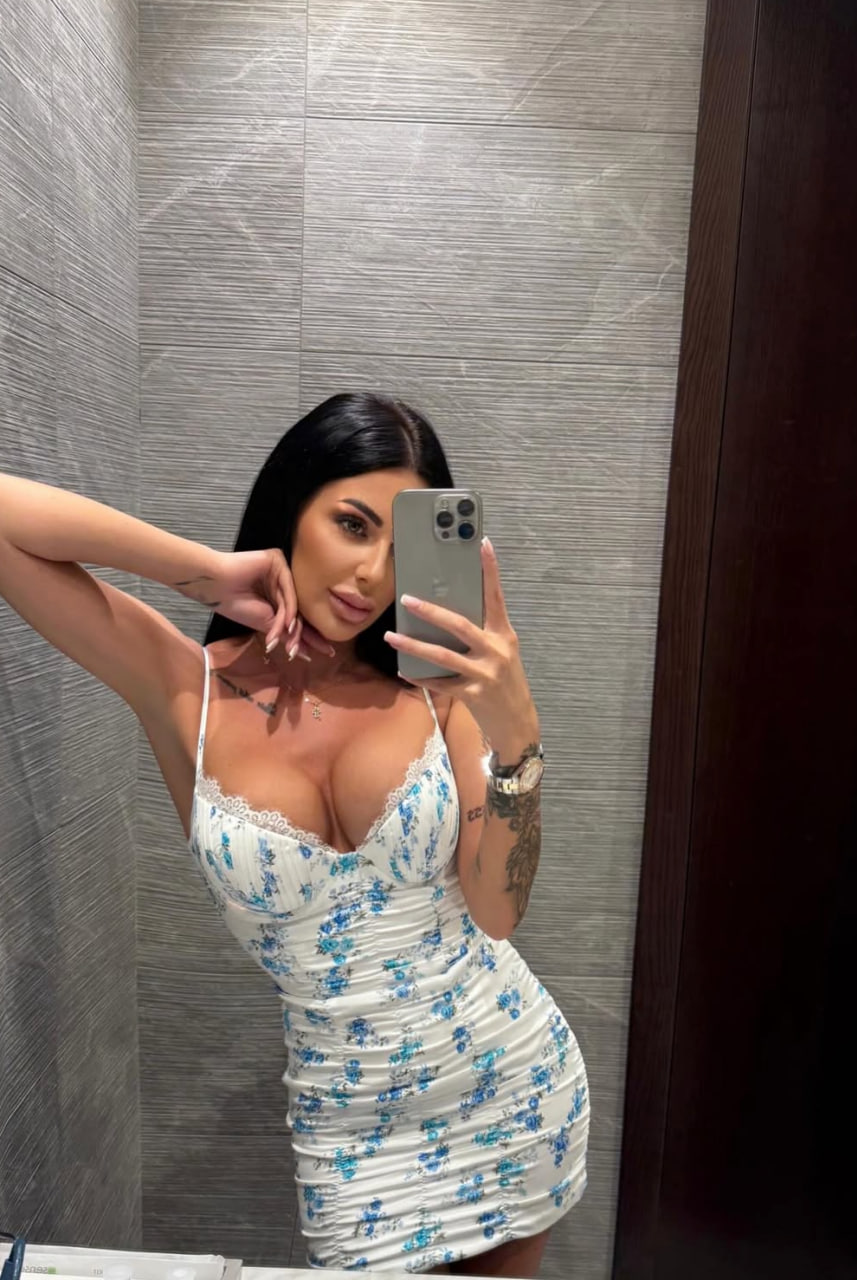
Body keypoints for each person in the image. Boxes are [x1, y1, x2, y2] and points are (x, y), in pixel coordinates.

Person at [0, 392, 590, 1276]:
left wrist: (517, 739)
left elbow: (496, 912)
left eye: (400, 546)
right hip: (350, 1140)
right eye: (351, 524)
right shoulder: (185, 688)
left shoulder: (437, 692)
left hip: (512, 1084)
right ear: (292, 506)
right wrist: (201, 570)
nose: (372, 575)